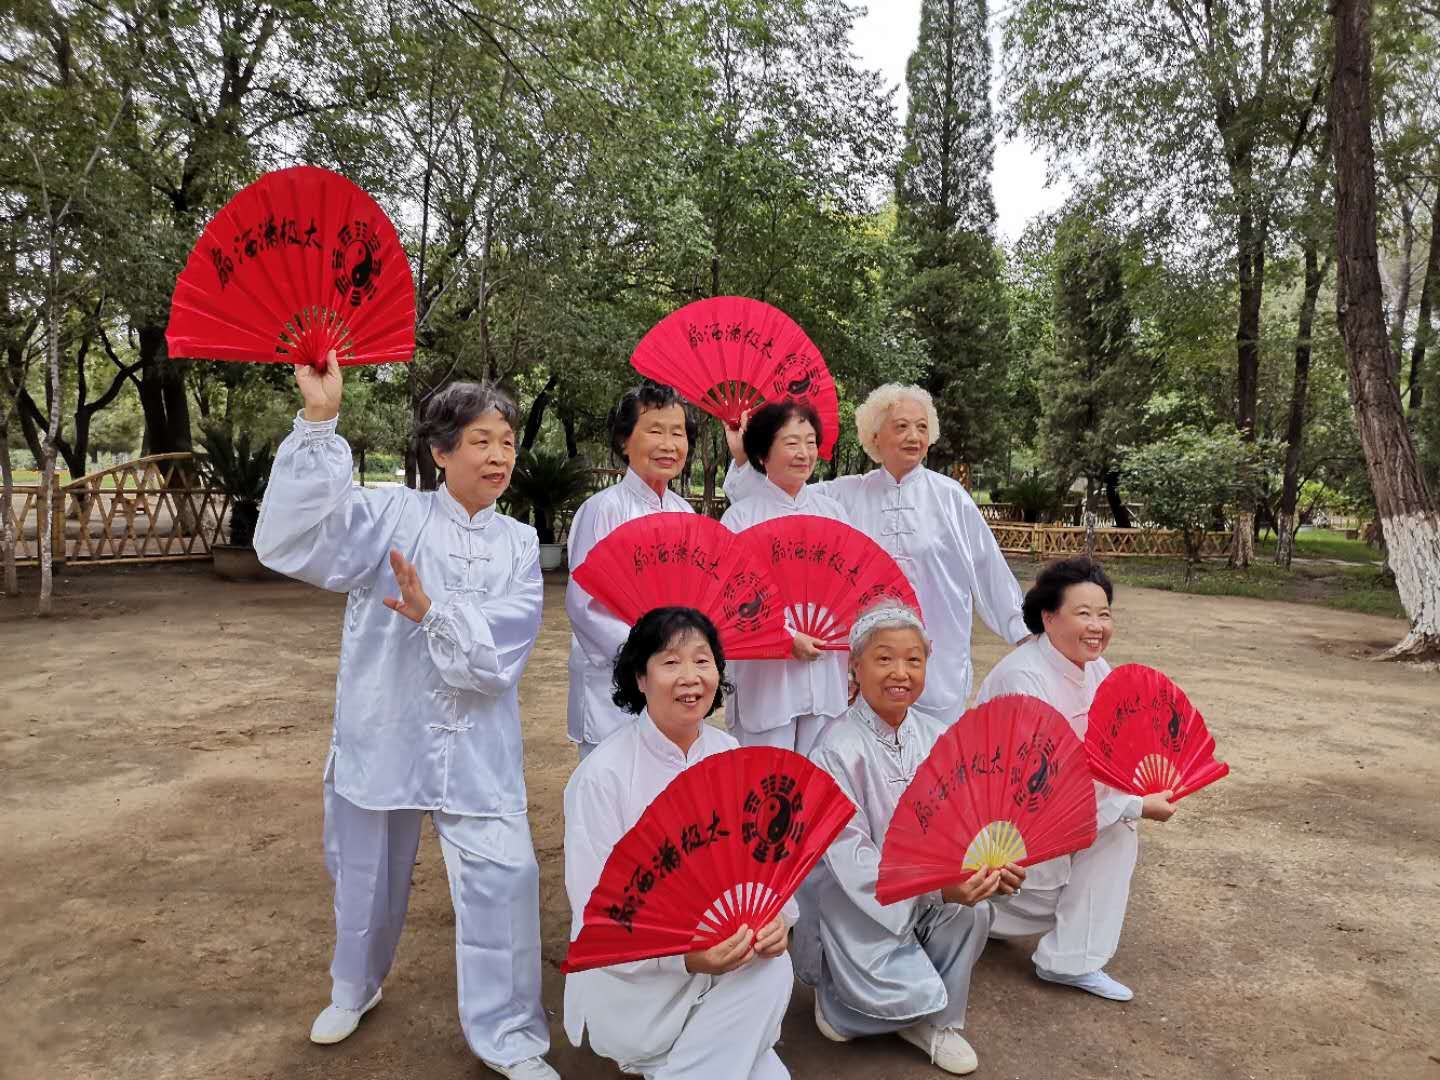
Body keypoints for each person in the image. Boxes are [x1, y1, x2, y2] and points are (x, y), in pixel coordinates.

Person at [254, 355, 557, 1080]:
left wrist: (435, 614)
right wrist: (320, 419)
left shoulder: (519, 543)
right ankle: (352, 987)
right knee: (364, 871)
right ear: (440, 450)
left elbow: (500, 652)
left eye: (507, 442)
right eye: (481, 440)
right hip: (385, 726)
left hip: (478, 742)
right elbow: (293, 539)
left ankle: (511, 1033)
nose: (499, 456)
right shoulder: (390, 515)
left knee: (505, 878)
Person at [562, 607, 795, 1079]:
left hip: (725, 972)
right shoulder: (603, 778)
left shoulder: (730, 756)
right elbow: (597, 917)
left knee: (776, 966)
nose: (690, 677)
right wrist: (684, 957)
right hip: (641, 987)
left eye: (702, 661)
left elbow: (767, 867)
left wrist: (777, 919)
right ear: (640, 678)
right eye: (670, 663)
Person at [799, 603, 1024, 1076]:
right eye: (884, 659)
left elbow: (966, 823)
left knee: (975, 908)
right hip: (857, 902)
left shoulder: (938, 735)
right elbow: (849, 855)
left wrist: (991, 867)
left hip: (930, 887)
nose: (900, 673)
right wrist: (934, 888)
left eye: (913, 660)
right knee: (848, 1023)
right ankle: (837, 994)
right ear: (855, 666)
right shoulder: (834, 748)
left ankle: (937, 1022)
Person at [725, 384, 1027, 725]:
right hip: (864, 658)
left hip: (937, 653)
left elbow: (988, 570)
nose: (913, 436)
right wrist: (743, 457)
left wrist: (1022, 629)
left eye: (922, 426)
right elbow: (779, 505)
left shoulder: (950, 497)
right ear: (874, 435)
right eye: (901, 426)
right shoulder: (845, 494)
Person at [973, 557, 1177, 1003]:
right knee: (1122, 824)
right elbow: (1039, 785)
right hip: (1012, 829)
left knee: (1120, 814)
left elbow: (1113, 749)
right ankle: (1024, 935)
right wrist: (1136, 804)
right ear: (1048, 617)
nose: (1097, 626)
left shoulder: (1094, 668)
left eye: (1104, 614)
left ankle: (1039, 943)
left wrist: (1140, 785)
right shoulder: (1023, 678)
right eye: (1083, 613)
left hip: (1062, 815)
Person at [566, 384, 697, 759]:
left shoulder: (684, 513)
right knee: (612, 791)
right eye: (655, 430)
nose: (669, 444)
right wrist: (647, 657)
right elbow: (585, 605)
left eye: (678, 433)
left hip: (672, 678)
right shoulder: (602, 510)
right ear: (624, 440)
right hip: (617, 677)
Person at [718, 400, 849, 756]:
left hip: (825, 672)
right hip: (766, 676)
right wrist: (784, 638)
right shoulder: (740, 519)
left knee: (822, 777)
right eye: (791, 443)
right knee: (766, 779)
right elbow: (732, 600)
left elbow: (851, 589)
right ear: (763, 453)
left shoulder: (834, 515)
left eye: (810, 442)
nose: (804, 453)